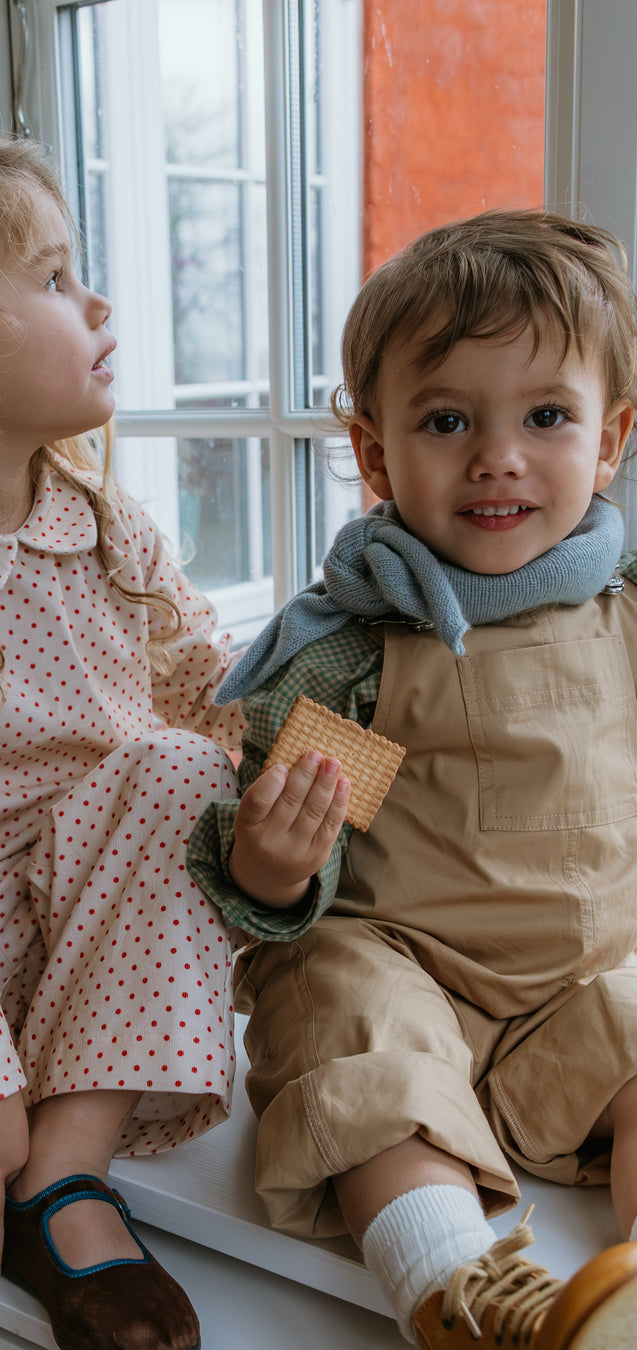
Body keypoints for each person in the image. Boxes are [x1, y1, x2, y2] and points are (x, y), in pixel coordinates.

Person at [188, 208, 637, 1350]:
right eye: (448, 419)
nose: (497, 456)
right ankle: (477, 1301)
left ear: (609, 439)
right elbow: (300, 855)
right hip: (397, 968)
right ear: (376, 453)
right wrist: (273, 871)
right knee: (359, 1052)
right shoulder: (361, 651)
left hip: (564, 991)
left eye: (547, 416)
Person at [0, 133, 245, 1350]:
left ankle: (63, 1173)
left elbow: (217, 687)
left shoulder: (105, 530)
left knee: (187, 763)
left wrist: (348, 761)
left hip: (83, 948)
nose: (97, 301)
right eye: (51, 280)